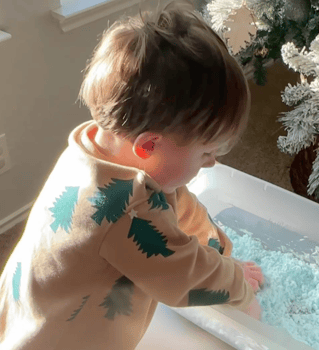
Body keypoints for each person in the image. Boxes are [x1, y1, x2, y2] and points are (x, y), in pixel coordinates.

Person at [0, 0, 264, 349]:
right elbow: (183, 277)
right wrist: (237, 284)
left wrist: (220, 249)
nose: (212, 163)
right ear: (149, 145)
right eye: (206, 152)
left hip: (28, 308)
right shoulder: (125, 209)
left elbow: (178, 202)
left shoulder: (95, 148)